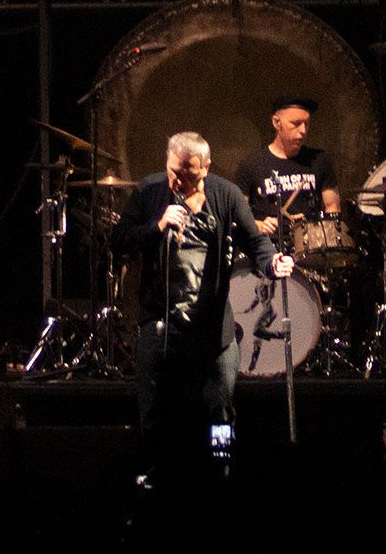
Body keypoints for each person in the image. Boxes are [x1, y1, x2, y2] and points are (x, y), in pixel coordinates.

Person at [111, 131, 291, 487]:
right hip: (162, 323)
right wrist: (158, 225)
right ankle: (151, 483)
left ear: (206, 167)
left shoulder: (225, 195)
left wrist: (272, 263)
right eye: (175, 171)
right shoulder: (150, 191)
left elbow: (255, 241)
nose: (180, 180)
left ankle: (221, 476)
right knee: (155, 415)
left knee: (221, 411)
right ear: (167, 162)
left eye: (189, 174)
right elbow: (118, 242)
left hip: (213, 331)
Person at [229, 95, 342, 237]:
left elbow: (332, 206)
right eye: (296, 123)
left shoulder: (320, 160)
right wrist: (258, 225)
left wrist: (328, 236)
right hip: (269, 246)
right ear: (277, 123)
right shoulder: (252, 164)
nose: (303, 130)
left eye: (306, 124)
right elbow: (236, 214)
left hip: (311, 245)